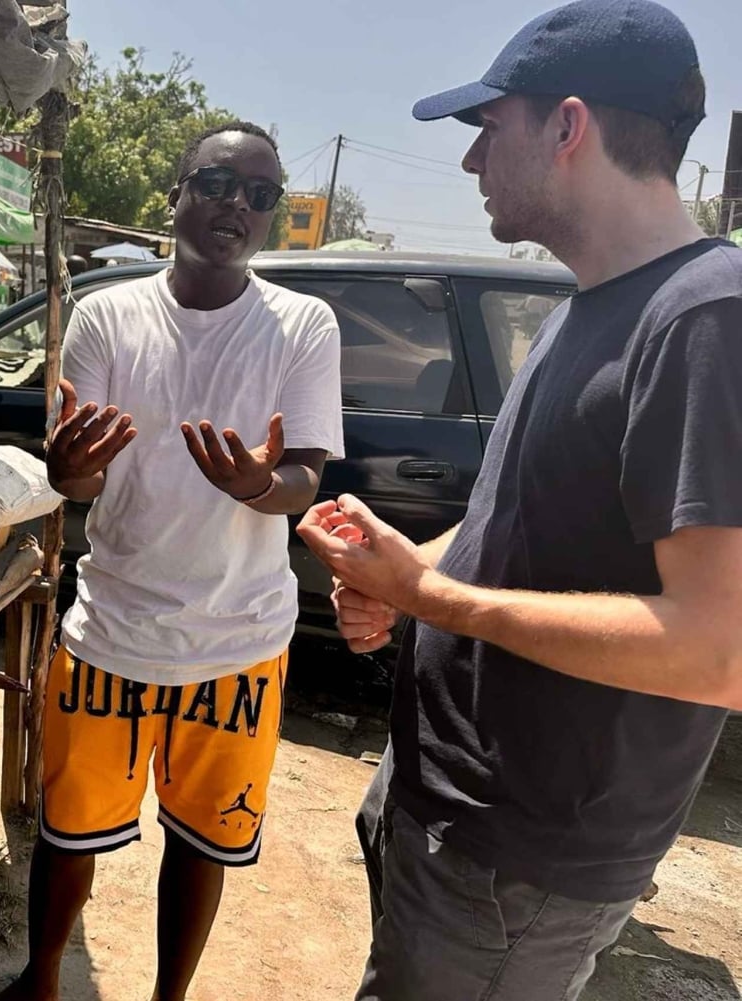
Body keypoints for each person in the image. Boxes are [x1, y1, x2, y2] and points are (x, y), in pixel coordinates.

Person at [294, 3, 742, 999]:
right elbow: (516, 520)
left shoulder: (707, 317)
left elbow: (719, 649)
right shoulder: (589, 305)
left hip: (520, 863)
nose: (470, 164)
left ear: (569, 126)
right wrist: (406, 578)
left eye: (488, 130)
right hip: (452, 811)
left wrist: (435, 597)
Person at [0, 122, 344, 1001]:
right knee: (66, 834)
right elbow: (80, 478)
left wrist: (261, 488)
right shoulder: (108, 314)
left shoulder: (303, 324)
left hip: (240, 641)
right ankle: (40, 980)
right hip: (111, 629)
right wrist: (68, 465)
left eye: (261, 195)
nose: (238, 204)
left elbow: (305, 475)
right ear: (178, 193)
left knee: (201, 843)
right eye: (220, 182)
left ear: (272, 217)